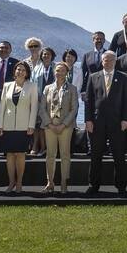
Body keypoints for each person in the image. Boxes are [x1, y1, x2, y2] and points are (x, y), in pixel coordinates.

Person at [84, 51, 127, 195]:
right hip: (97, 123)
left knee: (119, 155)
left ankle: (121, 186)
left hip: (117, 122)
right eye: (105, 59)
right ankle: (94, 185)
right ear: (102, 61)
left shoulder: (123, 77)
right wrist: (88, 120)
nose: (108, 62)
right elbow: (88, 101)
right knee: (96, 155)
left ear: (115, 61)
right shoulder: (93, 77)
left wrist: (125, 119)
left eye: (111, 59)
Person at [0, 61, 39, 193]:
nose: (20, 72)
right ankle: (11, 183)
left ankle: (19, 182)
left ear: (27, 73)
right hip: (8, 126)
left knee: (20, 155)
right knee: (9, 155)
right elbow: (2, 106)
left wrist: (31, 125)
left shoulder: (32, 86)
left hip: (23, 126)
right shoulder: (7, 86)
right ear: (14, 71)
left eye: (23, 70)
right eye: (18, 69)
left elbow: (34, 107)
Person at [40, 62, 78, 194]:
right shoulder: (47, 88)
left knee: (65, 155)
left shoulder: (72, 89)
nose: (59, 72)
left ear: (66, 73)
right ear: (53, 72)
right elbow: (42, 108)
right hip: (49, 126)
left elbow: (74, 109)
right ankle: (50, 182)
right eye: (57, 70)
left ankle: (63, 183)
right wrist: (49, 124)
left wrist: (63, 124)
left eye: (62, 70)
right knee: (50, 155)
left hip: (65, 127)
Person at [29, 46, 56, 157]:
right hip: (39, 100)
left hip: (53, 101)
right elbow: (32, 83)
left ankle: (45, 148)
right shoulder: (36, 68)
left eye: (48, 54)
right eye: (44, 54)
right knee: (37, 124)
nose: (46, 56)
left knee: (47, 125)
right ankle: (36, 146)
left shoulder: (56, 68)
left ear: (52, 56)